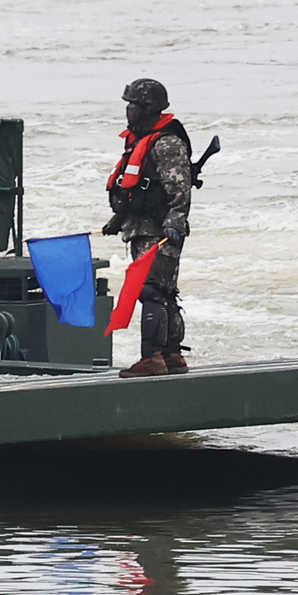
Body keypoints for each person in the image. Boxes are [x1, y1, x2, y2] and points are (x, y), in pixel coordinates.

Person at [105, 77, 197, 376]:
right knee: (161, 291)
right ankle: (171, 356)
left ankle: (152, 358)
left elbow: (179, 187)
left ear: (147, 107)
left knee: (153, 291)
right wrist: (118, 219)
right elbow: (140, 189)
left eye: (132, 103)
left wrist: (174, 221)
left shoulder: (166, 142)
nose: (128, 109)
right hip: (142, 225)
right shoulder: (141, 139)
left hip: (159, 230)